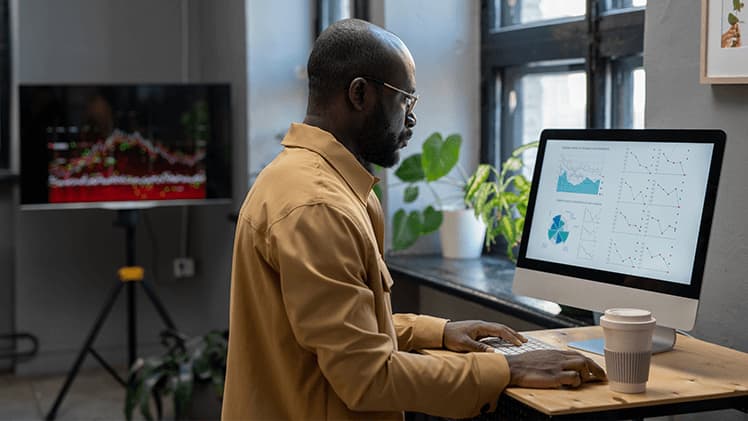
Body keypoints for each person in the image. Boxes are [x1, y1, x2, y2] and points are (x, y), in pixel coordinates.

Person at [222, 18, 605, 420]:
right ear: (359, 94)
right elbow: (365, 376)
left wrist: (438, 333)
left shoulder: (311, 180)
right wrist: (508, 368)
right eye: (406, 99)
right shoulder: (320, 206)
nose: (411, 120)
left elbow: (342, 329)